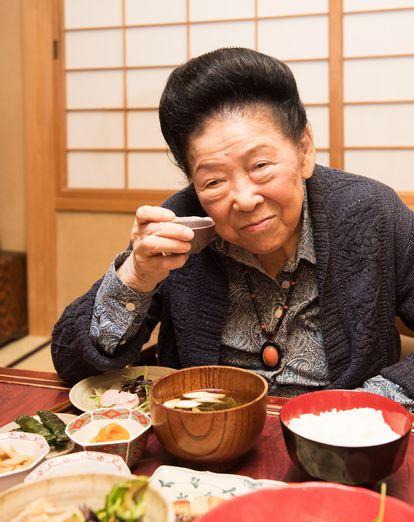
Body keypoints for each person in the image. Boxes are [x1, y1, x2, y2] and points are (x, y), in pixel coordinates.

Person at [52, 47, 414, 408]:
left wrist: (372, 404)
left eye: (260, 165)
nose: (244, 199)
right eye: (213, 181)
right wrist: (136, 277)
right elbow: (69, 362)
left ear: (304, 150)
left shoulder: (371, 213)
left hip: (343, 446)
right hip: (204, 440)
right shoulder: (181, 226)